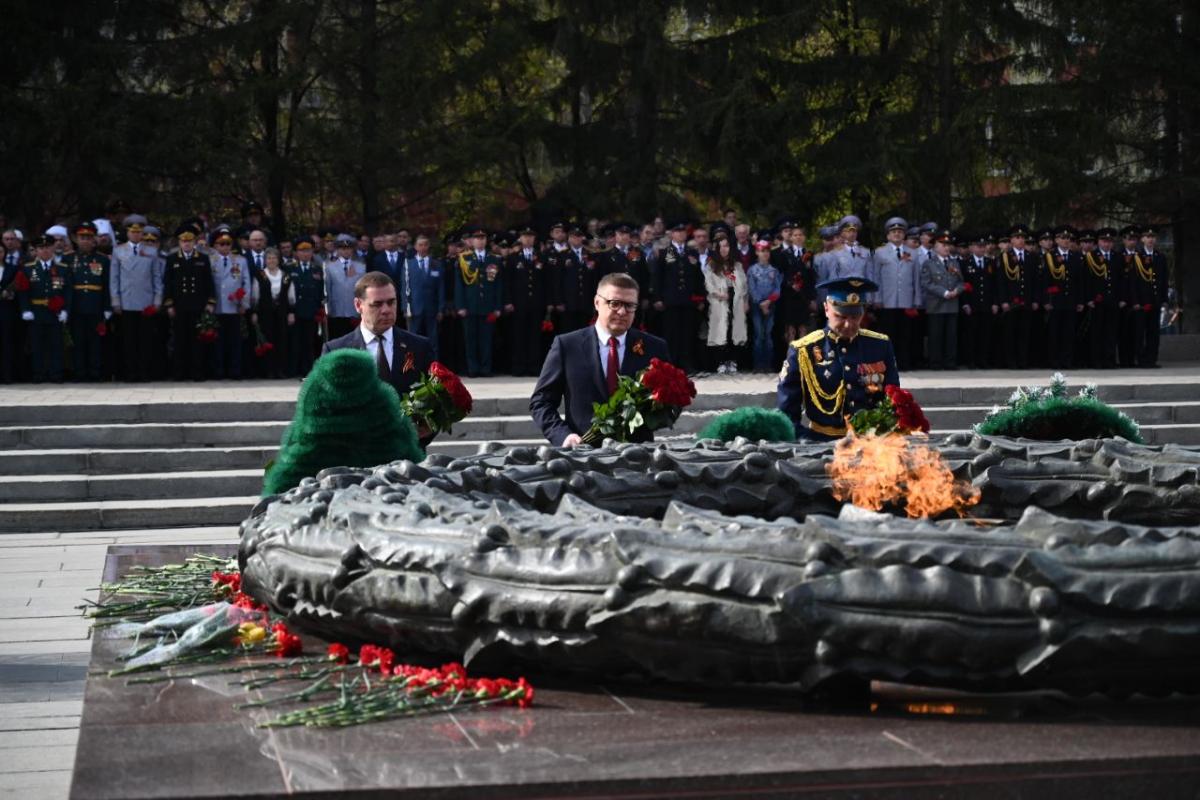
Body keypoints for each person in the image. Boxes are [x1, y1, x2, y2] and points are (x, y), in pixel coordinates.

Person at [531, 272, 671, 447]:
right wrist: (564, 436)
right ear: (597, 302)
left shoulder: (654, 347)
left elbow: (670, 400)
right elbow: (541, 402)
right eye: (614, 304)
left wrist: (655, 413)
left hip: (637, 455)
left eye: (629, 306)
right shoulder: (567, 345)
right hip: (583, 453)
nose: (622, 312)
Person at [777, 276, 899, 441]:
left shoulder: (879, 345)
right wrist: (803, 440)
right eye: (841, 316)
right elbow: (787, 413)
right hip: (822, 441)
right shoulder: (804, 349)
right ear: (826, 309)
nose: (848, 324)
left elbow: (892, 398)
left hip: (869, 443)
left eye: (855, 317)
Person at [321, 271, 434, 423]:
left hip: (407, 443)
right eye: (377, 304)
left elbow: (433, 402)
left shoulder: (419, 347)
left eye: (391, 302)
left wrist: (423, 431)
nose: (386, 310)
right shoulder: (336, 352)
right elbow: (326, 406)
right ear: (358, 305)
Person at [110, 215, 163, 381]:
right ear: (127, 232)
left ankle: (144, 372)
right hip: (126, 301)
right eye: (133, 232)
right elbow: (114, 278)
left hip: (145, 302)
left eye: (139, 232)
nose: (135, 235)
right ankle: (129, 373)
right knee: (128, 340)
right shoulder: (119, 251)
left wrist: (157, 301)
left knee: (145, 341)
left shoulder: (151, 251)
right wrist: (115, 301)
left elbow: (156, 278)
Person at [162, 223, 215, 381]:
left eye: (190, 241)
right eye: (183, 241)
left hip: (197, 306)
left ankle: (197, 372)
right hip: (179, 306)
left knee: (197, 341)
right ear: (179, 242)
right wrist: (169, 304)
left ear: (194, 242)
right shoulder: (172, 259)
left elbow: (209, 283)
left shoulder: (203, 259)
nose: (186, 244)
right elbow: (168, 283)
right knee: (180, 341)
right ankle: (179, 373)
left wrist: (210, 302)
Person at [19, 234, 73, 382]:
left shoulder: (62, 269)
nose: (45, 250)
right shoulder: (28, 269)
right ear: (36, 250)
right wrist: (25, 309)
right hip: (36, 312)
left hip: (55, 312)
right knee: (37, 345)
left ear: (53, 248)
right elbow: (23, 291)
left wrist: (66, 310)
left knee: (56, 345)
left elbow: (68, 291)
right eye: (41, 248)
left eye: (48, 247)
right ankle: (38, 374)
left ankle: (56, 374)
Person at [63, 221, 112, 382]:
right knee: (78, 342)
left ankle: (95, 372)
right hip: (76, 307)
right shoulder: (68, 259)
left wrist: (107, 307)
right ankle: (79, 373)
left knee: (95, 342)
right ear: (76, 239)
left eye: (88, 237)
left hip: (96, 306)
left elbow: (106, 285)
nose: (85, 240)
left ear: (94, 240)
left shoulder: (102, 260)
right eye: (82, 237)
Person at [872, 217, 922, 371]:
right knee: (888, 334)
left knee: (905, 335)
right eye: (893, 232)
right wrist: (877, 298)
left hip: (906, 301)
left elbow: (916, 279)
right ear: (888, 235)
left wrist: (917, 299)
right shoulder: (880, 253)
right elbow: (876, 277)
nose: (897, 234)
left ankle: (904, 363)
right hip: (887, 301)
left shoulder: (913, 253)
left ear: (904, 235)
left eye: (900, 232)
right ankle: (888, 363)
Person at [454, 226, 504, 377]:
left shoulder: (494, 259)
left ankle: (485, 368)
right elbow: (459, 285)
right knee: (470, 339)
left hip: (488, 306)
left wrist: (497, 306)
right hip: (470, 305)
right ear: (472, 241)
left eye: (482, 238)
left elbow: (498, 285)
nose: (480, 241)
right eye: (477, 238)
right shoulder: (465, 259)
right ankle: (473, 368)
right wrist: (461, 305)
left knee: (486, 339)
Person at [502, 224, 549, 376]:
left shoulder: (542, 257)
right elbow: (507, 282)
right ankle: (518, 366)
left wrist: (546, 302)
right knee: (519, 336)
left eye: (531, 236)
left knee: (534, 336)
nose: (528, 239)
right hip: (518, 303)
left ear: (534, 239)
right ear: (521, 238)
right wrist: (508, 301)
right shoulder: (513, 258)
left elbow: (546, 282)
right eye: (525, 236)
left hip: (536, 303)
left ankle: (534, 366)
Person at [208, 230, 250, 379]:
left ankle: (235, 371)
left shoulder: (240, 260)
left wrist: (244, 303)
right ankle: (218, 371)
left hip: (234, 307)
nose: (225, 247)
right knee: (217, 342)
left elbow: (246, 283)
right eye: (221, 244)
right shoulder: (210, 260)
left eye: (228, 244)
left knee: (235, 342)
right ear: (215, 245)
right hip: (217, 306)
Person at [920, 230, 964, 370]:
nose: (946, 247)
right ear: (935, 247)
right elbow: (926, 283)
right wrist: (944, 292)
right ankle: (935, 362)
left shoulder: (954, 262)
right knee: (936, 335)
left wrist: (957, 290)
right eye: (943, 244)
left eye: (948, 245)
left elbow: (961, 281)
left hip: (952, 304)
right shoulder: (929, 263)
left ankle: (950, 362)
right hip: (936, 304)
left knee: (951, 335)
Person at [704, 237, 748, 374]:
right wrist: (718, 294)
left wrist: (742, 298)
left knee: (734, 332)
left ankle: (733, 361)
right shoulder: (711, 265)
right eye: (720, 246)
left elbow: (743, 284)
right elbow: (708, 284)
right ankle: (721, 361)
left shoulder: (736, 265)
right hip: (719, 302)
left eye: (726, 246)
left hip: (735, 300)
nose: (724, 249)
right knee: (720, 332)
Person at [249, 248, 293, 378]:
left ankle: (280, 370)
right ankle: (268, 370)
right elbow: (255, 296)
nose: (271, 260)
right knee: (267, 340)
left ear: (278, 260)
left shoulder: (285, 275)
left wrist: (291, 312)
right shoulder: (260, 275)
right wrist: (254, 312)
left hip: (282, 313)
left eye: (274, 258)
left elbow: (291, 296)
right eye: (269, 258)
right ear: (265, 260)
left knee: (282, 340)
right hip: (265, 314)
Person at [401, 234, 444, 357]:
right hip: (414, 308)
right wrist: (405, 308)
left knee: (433, 340)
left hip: (432, 308)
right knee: (413, 339)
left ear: (429, 246)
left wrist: (441, 309)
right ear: (415, 247)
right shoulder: (408, 264)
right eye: (420, 245)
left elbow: (440, 288)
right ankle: (413, 367)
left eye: (425, 244)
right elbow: (405, 288)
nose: (423, 247)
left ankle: (434, 368)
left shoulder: (436, 264)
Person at [288, 239, 324, 378]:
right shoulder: (290, 268)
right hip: (295, 311)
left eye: (308, 250)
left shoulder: (317, 269)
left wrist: (320, 309)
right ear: (296, 253)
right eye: (302, 251)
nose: (305, 254)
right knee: (295, 342)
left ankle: (308, 370)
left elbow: (321, 291)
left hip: (311, 312)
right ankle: (293, 370)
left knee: (309, 342)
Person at [746, 239, 782, 372]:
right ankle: (758, 364)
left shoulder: (774, 270)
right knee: (758, 334)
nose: (764, 254)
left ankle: (768, 364)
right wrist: (760, 303)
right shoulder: (752, 270)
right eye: (762, 251)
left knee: (768, 335)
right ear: (756, 252)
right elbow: (751, 288)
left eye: (767, 251)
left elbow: (777, 289)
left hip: (770, 306)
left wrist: (768, 302)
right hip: (757, 306)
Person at [324, 233, 365, 340]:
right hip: (337, 310)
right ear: (337, 250)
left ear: (352, 249)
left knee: (355, 340)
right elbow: (327, 289)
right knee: (337, 339)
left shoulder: (361, 267)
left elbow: (363, 290)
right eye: (342, 248)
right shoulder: (329, 267)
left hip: (354, 310)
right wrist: (328, 309)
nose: (346, 251)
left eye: (348, 248)